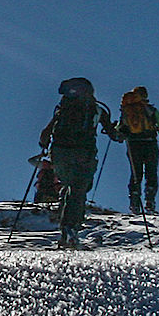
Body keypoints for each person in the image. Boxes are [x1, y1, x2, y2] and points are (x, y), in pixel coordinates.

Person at [40, 77, 105, 247]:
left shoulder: (62, 109)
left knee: (69, 186)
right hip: (84, 153)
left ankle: (65, 229)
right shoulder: (96, 109)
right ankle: (71, 228)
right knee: (79, 190)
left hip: (60, 153)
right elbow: (113, 132)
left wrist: (44, 145)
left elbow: (46, 133)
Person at [110, 85, 159, 214]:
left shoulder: (126, 110)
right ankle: (149, 202)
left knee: (135, 173)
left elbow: (119, 128)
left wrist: (116, 132)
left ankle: (134, 202)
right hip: (150, 143)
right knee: (151, 172)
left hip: (133, 144)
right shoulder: (151, 110)